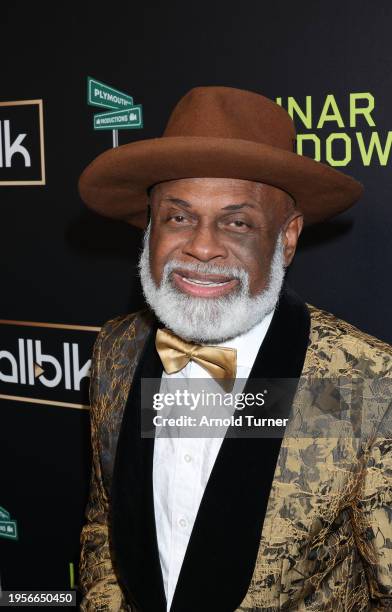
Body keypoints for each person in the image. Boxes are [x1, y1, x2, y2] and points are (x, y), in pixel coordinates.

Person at [77, 87, 392, 611]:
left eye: (237, 222)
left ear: (287, 238)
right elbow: (102, 524)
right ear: (150, 226)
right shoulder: (116, 348)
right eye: (178, 217)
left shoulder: (368, 381)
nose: (202, 246)